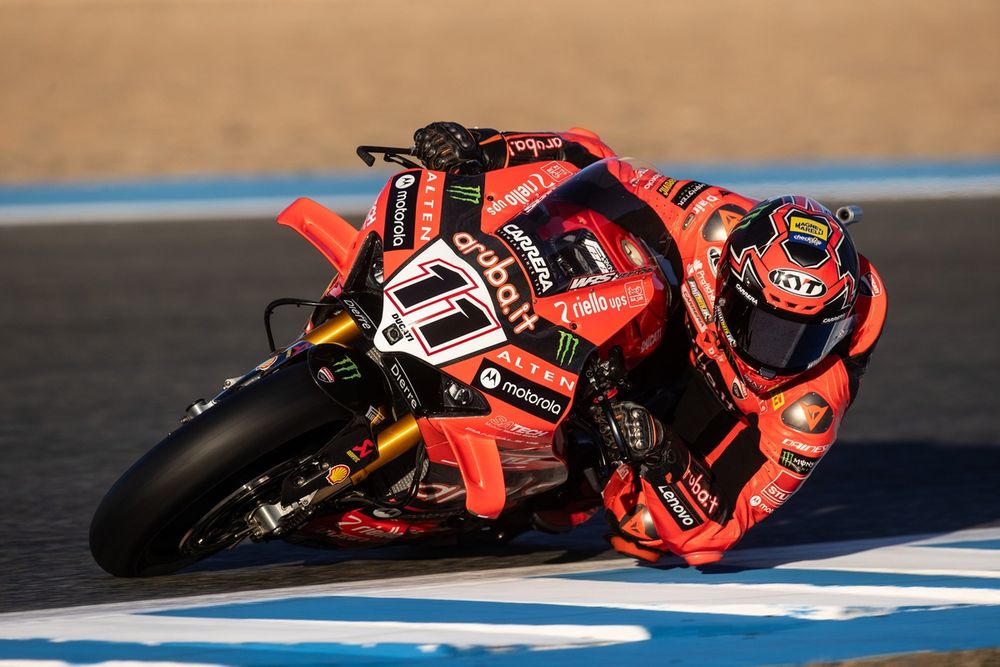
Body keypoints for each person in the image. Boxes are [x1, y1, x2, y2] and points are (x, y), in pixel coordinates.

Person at [410, 121, 888, 565]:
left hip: (720, 406)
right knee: (606, 243)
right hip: (671, 331)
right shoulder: (710, 222)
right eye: (765, 326)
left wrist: (664, 459)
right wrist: (484, 149)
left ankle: (563, 479)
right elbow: (592, 159)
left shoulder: (809, 410)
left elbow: (714, 537)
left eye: (807, 338)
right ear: (729, 283)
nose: (778, 355)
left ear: (839, 327)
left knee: (643, 528)